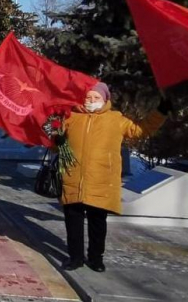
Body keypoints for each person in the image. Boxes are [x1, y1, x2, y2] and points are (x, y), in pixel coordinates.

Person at [59, 82, 167, 273]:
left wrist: (161, 111)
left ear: (105, 99)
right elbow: (56, 142)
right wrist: (53, 136)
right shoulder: (71, 117)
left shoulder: (115, 119)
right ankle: (75, 258)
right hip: (73, 178)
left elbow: (140, 130)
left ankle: (95, 258)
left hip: (101, 180)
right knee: (73, 222)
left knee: (97, 223)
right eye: (89, 97)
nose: (92, 101)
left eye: (96, 98)